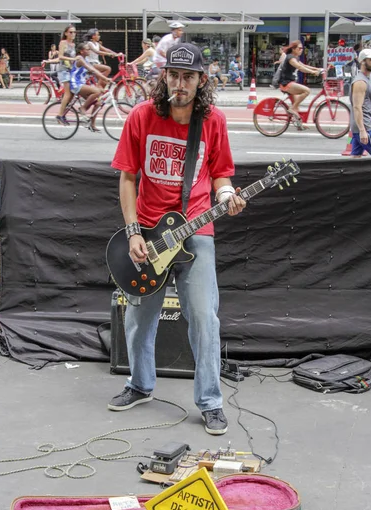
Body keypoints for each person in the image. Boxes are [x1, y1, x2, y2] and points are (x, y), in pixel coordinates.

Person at [109, 43, 246, 435]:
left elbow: (221, 173)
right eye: (173, 75)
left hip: (196, 229)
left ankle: (210, 401)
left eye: (188, 77)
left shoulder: (213, 121)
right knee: (137, 318)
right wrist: (134, 230)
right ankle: (139, 384)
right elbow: (127, 178)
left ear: (201, 80)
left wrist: (225, 196)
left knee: (204, 317)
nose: (180, 84)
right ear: (164, 76)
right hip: (149, 233)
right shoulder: (141, 116)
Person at [65, 42, 110, 131]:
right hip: (76, 84)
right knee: (97, 91)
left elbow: (90, 71)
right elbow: (92, 70)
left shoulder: (85, 59)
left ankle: (92, 125)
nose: (89, 50)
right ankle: (83, 108)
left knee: (98, 103)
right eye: (87, 49)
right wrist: (105, 78)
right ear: (82, 51)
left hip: (81, 84)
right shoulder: (80, 59)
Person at [278, 40, 322, 124]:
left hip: (290, 82)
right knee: (307, 91)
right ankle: (292, 108)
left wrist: (318, 69)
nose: (301, 50)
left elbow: (304, 65)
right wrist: (313, 72)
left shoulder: (295, 57)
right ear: (294, 49)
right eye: (300, 48)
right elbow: (300, 67)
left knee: (297, 106)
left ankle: (298, 124)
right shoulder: (290, 58)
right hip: (286, 83)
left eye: (302, 48)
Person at [349, 48, 371, 157]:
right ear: (362, 62)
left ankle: (348, 175)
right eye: (370, 60)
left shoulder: (367, 79)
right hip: (366, 127)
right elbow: (357, 107)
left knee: (356, 159)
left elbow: (369, 104)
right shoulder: (360, 82)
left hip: (365, 125)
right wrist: (362, 130)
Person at [56, 25, 77, 124]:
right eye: (71, 32)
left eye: (74, 32)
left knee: (72, 93)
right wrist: (73, 59)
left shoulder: (73, 44)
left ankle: (64, 113)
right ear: (66, 33)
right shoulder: (63, 43)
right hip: (63, 70)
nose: (73, 34)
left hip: (71, 70)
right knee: (68, 93)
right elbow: (60, 57)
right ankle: (60, 115)